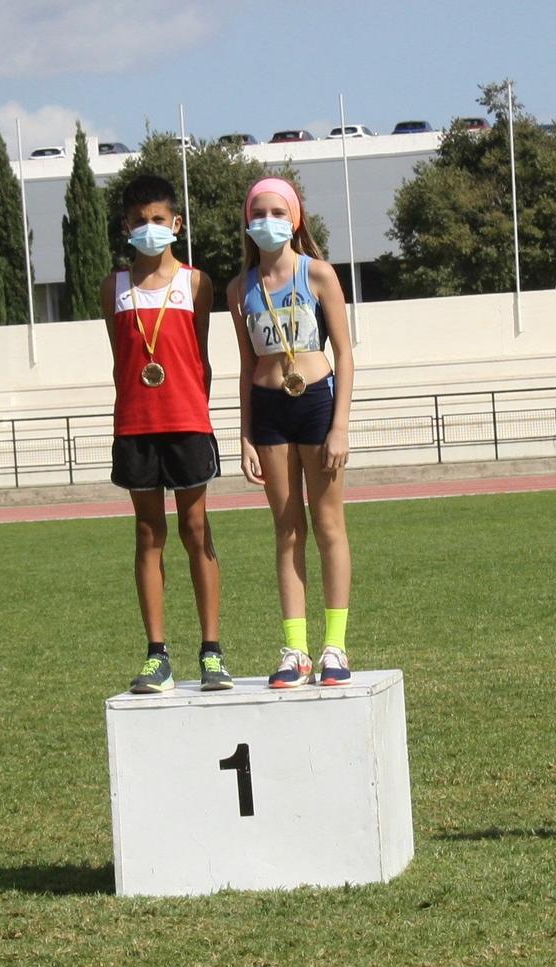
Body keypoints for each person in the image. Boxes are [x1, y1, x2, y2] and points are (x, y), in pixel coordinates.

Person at [100, 175, 232, 693]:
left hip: (187, 421)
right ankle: (157, 654)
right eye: (139, 221)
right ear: (125, 227)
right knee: (147, 534)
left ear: (176, 225)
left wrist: (197, 410)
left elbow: (199, 356)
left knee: (196, 531)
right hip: (136, 423)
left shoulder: (197, 284)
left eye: (158, 220)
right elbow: (122, 359)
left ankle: (212, 651)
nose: (149, 229)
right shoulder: (113, 287)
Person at [228, 177, 356, 687]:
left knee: (328, 526)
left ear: (295, 218)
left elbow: (345, 353)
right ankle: (295, 649)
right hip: (268, 411)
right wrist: (244, 434)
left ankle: (335, 646)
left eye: (277, 211)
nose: (267, 221)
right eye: (258, 212)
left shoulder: (318, 274)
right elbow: (244, 366)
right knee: (287, 531)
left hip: (317, 406)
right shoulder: (242, 288)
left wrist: (340, 425)